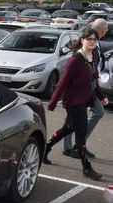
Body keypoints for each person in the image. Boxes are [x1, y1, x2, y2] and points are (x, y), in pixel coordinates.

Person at [44, 28, 109, 180]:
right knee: (81, 131)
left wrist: (101, 96)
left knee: (68, 128)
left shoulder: (93, 56)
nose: (92, 42)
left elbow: (94, 80)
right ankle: (87, 168)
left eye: (95, 39)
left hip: (85, 99)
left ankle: (46, 147)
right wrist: (52, 103)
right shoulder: (75, 60)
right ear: (82, 40)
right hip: (73, 101)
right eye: (89, 39)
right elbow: (63, 83)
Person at [62, 18, 109, 158]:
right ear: (103, 31)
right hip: (81, 88)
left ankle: (78, 144)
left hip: (93, 85)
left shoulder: (96, 44)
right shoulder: (84, 45)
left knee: (82, 116)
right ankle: (72, 146)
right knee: (75, 118)